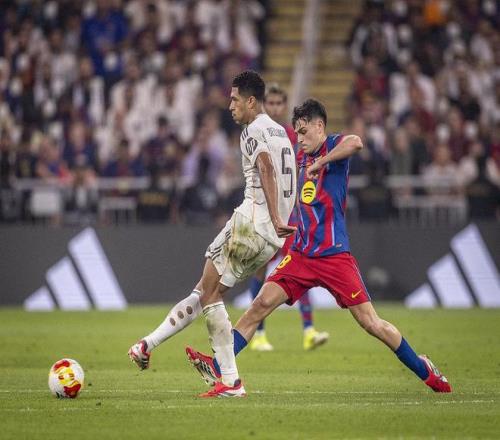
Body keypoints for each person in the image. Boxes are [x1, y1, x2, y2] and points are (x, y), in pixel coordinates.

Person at [186, 99, 452, 396]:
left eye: (303, 132)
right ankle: (219, 366)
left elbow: (356, 142)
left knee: (371, 323)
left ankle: (424, 370)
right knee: (259, 306)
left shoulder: (334, 147)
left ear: (319, 126)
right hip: (300, 255)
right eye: (297, 133)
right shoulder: (299, 156)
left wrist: (321, 163)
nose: (300, 139)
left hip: (334, 256)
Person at [128, 70, 297, 398]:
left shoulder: (252, 130)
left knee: (209, 295)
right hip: (270, 239)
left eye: (235, 100)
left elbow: (264, 166)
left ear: (251, 101)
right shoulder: (281, 132)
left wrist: (276, 215)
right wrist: (280, 218)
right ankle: (146, 345)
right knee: (206, 290)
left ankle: (231, 381)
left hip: (251, 223)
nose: (230, 106)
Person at [248, 84, 329, 352]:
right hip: (264, 213)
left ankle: (308, 330)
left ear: (283, 106)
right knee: (260, 267)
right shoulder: (257, 133)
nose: (273, 108)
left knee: (299, 265)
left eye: (278, 103)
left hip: (291, 216)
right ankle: (258, 334)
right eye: (269, 103)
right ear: (264, 105)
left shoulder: (294, 136)